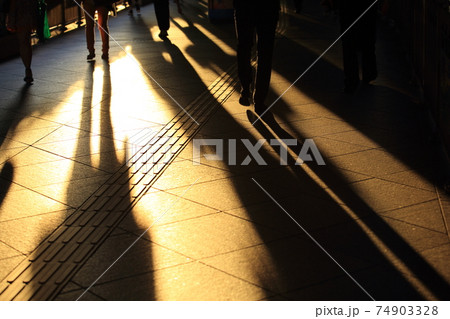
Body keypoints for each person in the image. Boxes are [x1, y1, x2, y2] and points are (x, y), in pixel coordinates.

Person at [234, 0, 280, 115]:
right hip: (269, 7)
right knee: (265, 53)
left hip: (244, 7)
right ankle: (259, 100)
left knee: (244, 48)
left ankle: (245, 88)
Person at [334, 0, 378, 93]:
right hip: (367, 6)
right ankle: (369, 73)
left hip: (347, 8)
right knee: (368, 41)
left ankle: (351, 80)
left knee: (349, 45)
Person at [6, 0, 38, 84]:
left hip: (20, 15)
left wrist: (11, 21)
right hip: (29, 14)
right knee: (26, 42)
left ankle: (27, 69)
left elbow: (13, 6)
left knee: (23, 42)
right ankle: (28, 69)